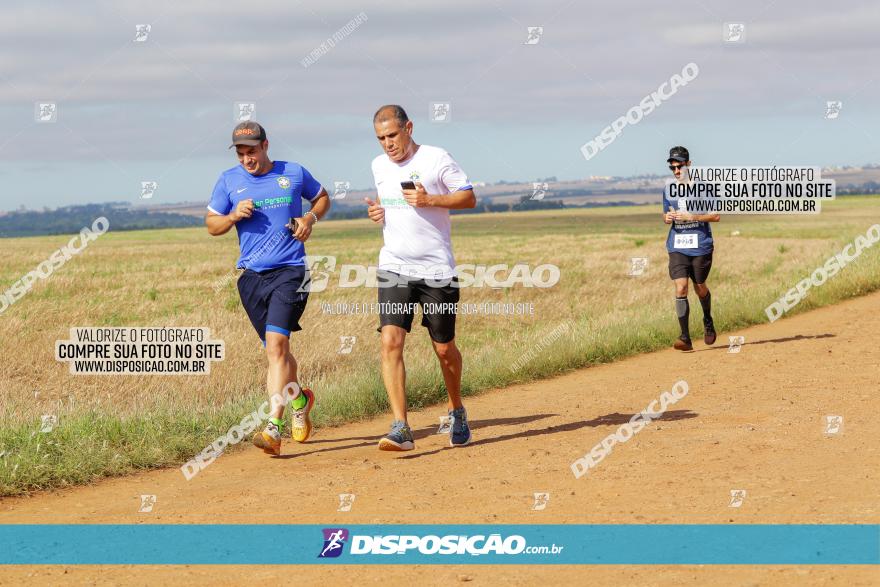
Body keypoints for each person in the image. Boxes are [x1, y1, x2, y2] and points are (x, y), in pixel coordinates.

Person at [206, 121, 331, 455]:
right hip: (251, 278)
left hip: (291, 271)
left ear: (265, 145)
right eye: (241, 152)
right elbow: (211, 224)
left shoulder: (293, 172)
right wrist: (232, 216)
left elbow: (321, 198)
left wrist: (309, 220)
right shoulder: (228, 181)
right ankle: (301, 400)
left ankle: (273, 427)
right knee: (279, 354)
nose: (247, 159)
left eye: (252, 150)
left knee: (277, 347)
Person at [364, 105, 476, 451]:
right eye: (381, 138)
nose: (388, 144)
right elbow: (390, 205)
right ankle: (401, 426)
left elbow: (469, 197)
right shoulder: (378, 165)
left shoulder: (436, 158)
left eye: (393, 136)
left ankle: (457, 409)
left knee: (443, 349)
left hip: (436, 270)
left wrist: (430, 199)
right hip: (394, 265)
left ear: (409, 128)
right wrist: (378, 213)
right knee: (390, 341)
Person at [662, 146, 720, 351]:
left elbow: (715, 216)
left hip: (701, 246)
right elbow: (665, 213)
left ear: (689, 164)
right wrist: (667, 218)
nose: (676, 171)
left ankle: (707, 320)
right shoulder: (668, 189)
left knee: (700, 286)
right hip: (677, 245)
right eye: (673, 168)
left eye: (679, 166)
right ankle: (685, 337)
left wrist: (692, 217)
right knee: (681, 287)